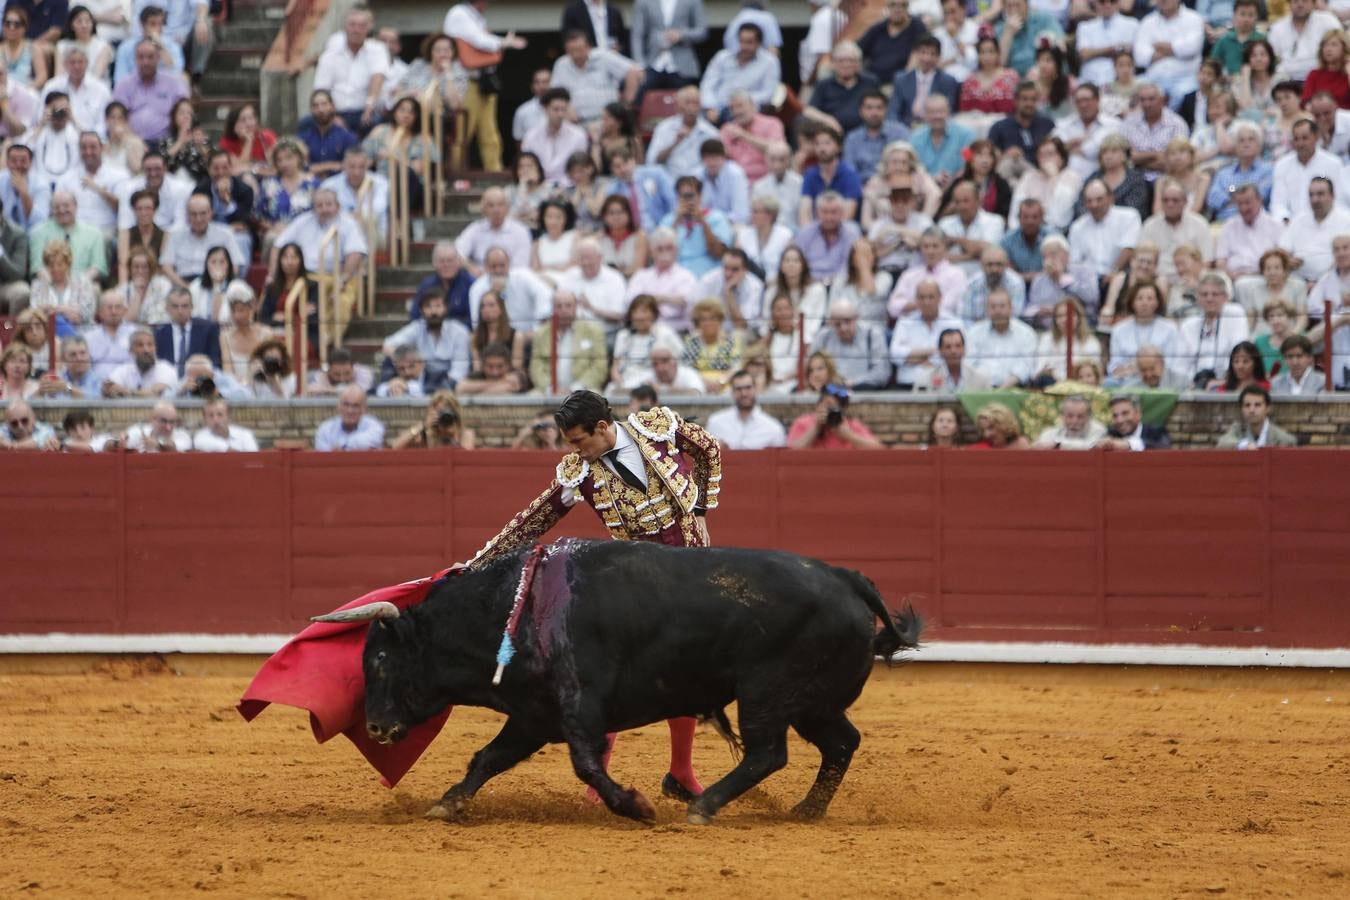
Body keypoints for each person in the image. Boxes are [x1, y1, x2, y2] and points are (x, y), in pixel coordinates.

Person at [464, 389, 722, 800]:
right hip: (634, 577)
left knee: (686, 669)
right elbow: (535, 519)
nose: (577, 451)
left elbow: (708, 449)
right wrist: (477, 565)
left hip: (689, 569)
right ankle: (599, 778)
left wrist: (703, 511)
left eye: (580, 441)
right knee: (613, 670)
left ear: (602, 428)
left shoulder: (656, 428)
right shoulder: (578, 471)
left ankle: (681, 773)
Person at [312, 6, 388, 135]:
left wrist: (369, 108)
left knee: (377, 124)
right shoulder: (330, 54)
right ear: (345, 27)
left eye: (361, 26)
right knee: (305, 124)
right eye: (352, 25)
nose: (356, 30)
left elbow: (377, 78)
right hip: (334, 112)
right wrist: (332, 116)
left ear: (368, 29)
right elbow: (321, 89)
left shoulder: (377, 50)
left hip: (364, 112)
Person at [550, 30, 640, 130]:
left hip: (608, 121)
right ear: (566, 50)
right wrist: (566, 108)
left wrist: (626, 103)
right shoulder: (561, 64)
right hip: (576, 123)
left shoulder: (603, 57)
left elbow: (634, 71)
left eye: (578, 49)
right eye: (572, 50)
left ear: (588, 47)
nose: (576, 54)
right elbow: (554, 94)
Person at [381, 293, 472, 390]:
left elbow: (458, 372)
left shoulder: (459, 331)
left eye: (438, 306)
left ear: (446, 308)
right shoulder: (417, 327)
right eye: (428, 306)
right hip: (420, 376)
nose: (433, 312)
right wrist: (406, 359)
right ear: (421, 310)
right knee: (391, 361)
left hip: (447, 381)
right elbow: (387, 345)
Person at [1179, 274, 1251, 388]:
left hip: (1226, 382)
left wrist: (1221, 381)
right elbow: (1181, 364)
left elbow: (1239, 354)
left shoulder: (1236, 315)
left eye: (1215, 294)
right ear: (1197, 298)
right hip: (1193, 383)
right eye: (1204, 294)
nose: (1209, 298)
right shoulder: (1188, 325)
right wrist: (1192, 381)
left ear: (1225, 297)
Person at [529, 291, 607, 393]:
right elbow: (536, 368)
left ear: (576, 308)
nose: (563, 310)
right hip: (548, 389)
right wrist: (551, 388)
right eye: (559, 306)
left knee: (596, 398)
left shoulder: (593, 331)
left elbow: (599, 367)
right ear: (552, 309)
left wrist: (574, 389)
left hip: (584, 388)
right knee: (530, 399)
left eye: (568, 306)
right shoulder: (541, 333)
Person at [111, 36, 186, 141]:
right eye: (141, 57)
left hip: (166, 141)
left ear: (158, 58)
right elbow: (116, 117)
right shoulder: (124, 85)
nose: (146, 62)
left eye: (150, 57)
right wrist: (132, 139)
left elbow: (185, 112)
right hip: (132, 142)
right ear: (135, 59)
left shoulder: (173, 84)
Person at [1270, 120, 1345, 224]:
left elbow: (1339, 201)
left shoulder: (1333, 164)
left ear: (1316, 137)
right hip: (1291, 226)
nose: (1300, 143)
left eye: (1305, 138)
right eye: (1296, 139)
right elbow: (1278, 203)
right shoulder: (1282, 165)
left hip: (1326, 224)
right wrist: (1285, 219)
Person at [809, 297, 891, 390]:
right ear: (830, 322)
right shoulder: (823, 337)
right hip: (830, 392)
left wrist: (852, 383)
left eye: (848, 321)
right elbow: (810, 368)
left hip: (865, 392)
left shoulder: (872, 335)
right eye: (837, 324)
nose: (843, 327)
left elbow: (882, 374)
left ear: (856, 318)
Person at [1278, 176, 1350, 282]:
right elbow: (1282, 250)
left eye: (1320, 194)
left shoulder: (1346, 220)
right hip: (1298, 280)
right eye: (1311, 195)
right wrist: (1287, 260)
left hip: (1336, 279)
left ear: (1332, 195)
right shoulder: (1298, 220)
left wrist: (1321, 282)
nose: (1315, 199)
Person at [1108, 280, 1182, 380]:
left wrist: (1144, 369)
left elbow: (1172, 363)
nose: (1145, 303)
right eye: (1140, 298)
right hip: (1126, 379)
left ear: (1157, 302)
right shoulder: (1119, 330)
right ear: (1132, 302)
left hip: (1160, 379)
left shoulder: (1170, 328)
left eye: (1150, 298)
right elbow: (1115, 365)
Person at [630, 0, 705, 98]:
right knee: (641, 101)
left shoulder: (693, 1)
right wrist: (639, 65)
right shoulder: (643, 2)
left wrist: (681, 35)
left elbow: (702, 31)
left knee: (685, 102)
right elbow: (637, 36)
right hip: (652, 63)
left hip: (682, 66)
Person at [659, 175, 730, 278]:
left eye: (690, 195)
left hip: (706, 276)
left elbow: (718, 253)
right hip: (674, 278)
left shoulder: (716, 218)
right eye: (683, 196)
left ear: (700, 196)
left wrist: (703, 222)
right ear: (677, 197)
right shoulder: (668, 220)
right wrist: (677, 221)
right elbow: (661, 254)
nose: (688, 200)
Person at [1068, 178, 1141, 278]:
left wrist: (1114, 273)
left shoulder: (1129, 217)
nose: (1094, 205)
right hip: (1088, 281)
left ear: (1110, 198)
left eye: (1099, 199)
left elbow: (1128, 248)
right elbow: (1075, 261)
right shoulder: (1077, 227)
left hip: (1119, 275)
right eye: (1089, 201)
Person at [805, 40, 878, 137]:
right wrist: (828, 120)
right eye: (841, 60)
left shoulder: (870, 82)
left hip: (865, 131)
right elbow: (809, 110)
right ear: (833, 64)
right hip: (832, 134)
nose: (846, 64)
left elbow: (881, 106)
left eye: (851, 60)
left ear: (858, 64)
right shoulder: (823, 84)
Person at [454, 186, 532, 274]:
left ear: (507, 208)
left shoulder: (520, 231)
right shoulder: (475, 229)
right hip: (479, 277)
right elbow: (457, 253)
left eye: (500, 205)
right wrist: (472, 268)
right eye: (491, 205)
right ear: (483, 209)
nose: (496, 210)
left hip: (512, 279)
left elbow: (521, 265)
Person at [521, 87, 589, 187]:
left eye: (563, 110)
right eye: (556, 110)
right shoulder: (531, 136)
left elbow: (580, 167)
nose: (560, 114)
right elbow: (526, 165)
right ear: (545, 108)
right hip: (538, 187)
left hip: (569, 188)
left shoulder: (579, 135)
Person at [705, 368, 785, 449]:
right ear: (732, 392)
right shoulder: (716, 423)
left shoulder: (773, 428)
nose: (744, 393)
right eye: (738, 389)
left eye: (748, 388)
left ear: (756, 389)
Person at [787, 383, 883, 449]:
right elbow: (790, 450)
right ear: (818, 404)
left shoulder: (850, 425)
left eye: (831, 406)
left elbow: (878, 448)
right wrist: (815, 428)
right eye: (825, 404)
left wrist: (849, 436)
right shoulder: (803, 422)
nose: (827, 409)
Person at [798, 127, 862, 224]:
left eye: (827, 143)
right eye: (817, 144)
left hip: (844, 229)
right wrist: (809, 233)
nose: (822, 148)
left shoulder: (850, 173)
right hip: (817, 228)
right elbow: (804, 211)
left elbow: (848, 214)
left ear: (838, 147)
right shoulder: (810, 174)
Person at [1267, 0, 1341, 84]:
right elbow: (1271, 58)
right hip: (1286, 82)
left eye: (1305, 1)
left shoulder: (1328, 21)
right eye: (1295, 1)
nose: (1300, 4)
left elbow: (1342, 49)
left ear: (1313, 3)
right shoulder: (1277, 28)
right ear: (1289, 4)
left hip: (1322, 79)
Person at [297, 89, 359, 179]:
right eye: (316, 106)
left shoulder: (347, 137)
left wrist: (316, 168)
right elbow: (299, 168)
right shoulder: (303, 138)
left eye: (324, 104)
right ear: (311, 110)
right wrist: (331, 165)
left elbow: (352, 166)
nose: (320, 109)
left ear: (333, 106)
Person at [102, 325, 175, 396]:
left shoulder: (165, 368)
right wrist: (110, 386)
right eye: (140, 345)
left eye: (150, 345)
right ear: (131, 350)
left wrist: (127, 392)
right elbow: (107, 384)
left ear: (155, 348)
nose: (146, 350)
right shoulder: (125, 369)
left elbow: (155, 393)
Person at [1216, 384, 1296, 448]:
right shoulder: (1238, 429)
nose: (1252, 410)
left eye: (1257, 405)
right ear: (1241, 409)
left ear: (1267, 408)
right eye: (1247, 405)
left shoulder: (1281, 438)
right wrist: (1244, 445)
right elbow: (1222, 442)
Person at [314, 383, 385, 451]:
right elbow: (322, 455)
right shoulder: (325, 429)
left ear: (364, 409)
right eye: (346, 405)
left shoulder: (374, 426)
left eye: (355, 406)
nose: (350, 411)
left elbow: (364, 442)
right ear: (338, 406)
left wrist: (342, 448)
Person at [1098, 393, 1171, 450]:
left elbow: (1164, 446)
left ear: (1138, 414)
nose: (1119, 420)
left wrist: (1129, 444)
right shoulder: (1112, 433)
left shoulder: (1156, 431)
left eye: (1125, 413)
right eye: (1115, 416)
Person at [1033, 394, 1108, 449]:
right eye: (1070, 416)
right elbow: (1040, 444)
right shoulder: (1052, 431)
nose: (1074, 421)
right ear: (1062, 416)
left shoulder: (1099, 430)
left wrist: (1058, 444)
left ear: (1088, 417)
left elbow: (1090, 445)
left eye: (1080, 416)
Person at [189, 398, 258, 452]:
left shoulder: (245, 434)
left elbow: (254, 459)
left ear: (228, 416)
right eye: (211, 416)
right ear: (205, 419)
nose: (215, 419)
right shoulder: (200, 437)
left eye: (220, 414)